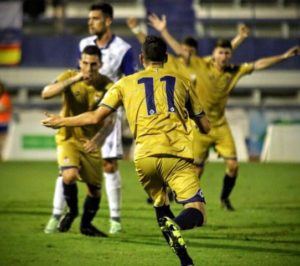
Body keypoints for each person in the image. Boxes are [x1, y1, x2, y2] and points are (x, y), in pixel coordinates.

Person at [42, 35, 210, 266]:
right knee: (196, 210)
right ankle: (178, 225)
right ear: (166, 58)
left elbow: (95, 117)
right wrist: (189, 116)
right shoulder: (183, 81)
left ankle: (186, 261)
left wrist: (61, 121)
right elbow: (205, 126)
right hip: (176, 154)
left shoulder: (124, 83)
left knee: (161, 205)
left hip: (143, 157)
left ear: (142, 58)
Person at [148, 13, 300, 211]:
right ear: (214, 53)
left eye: (227, 53)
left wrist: (283, 56)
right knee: (196, 170)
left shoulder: (234, 70)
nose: (224, 56)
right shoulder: (200, 64)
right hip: (198, 126)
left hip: (220, 125)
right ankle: (176, 193)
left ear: (230, 55)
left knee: (233, 166)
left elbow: (258, 64)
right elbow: (179, 50)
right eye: (220, 52)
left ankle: (224, 199)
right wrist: (163, 30)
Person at [45, 2, 135, 235]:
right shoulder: (84, 44)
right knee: (67, 172)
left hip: (107, 113)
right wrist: (75, 80)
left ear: (107, 20)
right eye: (89, 18)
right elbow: (56, 87)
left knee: (108, 166)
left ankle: (114, 219)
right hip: (76, 121)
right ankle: (57, 215)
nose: (89, 22)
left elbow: (131, 80)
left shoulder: (123, 49)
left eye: (95, 18)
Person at [42, 45, 114, 237]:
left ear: (100, 64)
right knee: (69, 175)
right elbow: (46, 93)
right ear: (79, 62)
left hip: (90, 142)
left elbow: (110, 121)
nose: (88, 68)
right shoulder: (69, 76)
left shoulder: (108, 86)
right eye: (85, 63)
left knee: (95, 191)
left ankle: (86, 225)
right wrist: (74, 79)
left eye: (93, 64)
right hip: (68, 138)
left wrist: (98, 140)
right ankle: (72, 212)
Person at [0, 81, 12, 161]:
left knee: (2, 141)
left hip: (3, 122)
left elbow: (2, 108)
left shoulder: (5, 97)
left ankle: (2, 156)